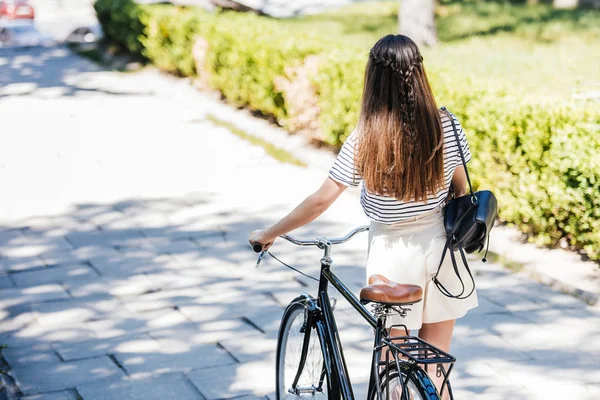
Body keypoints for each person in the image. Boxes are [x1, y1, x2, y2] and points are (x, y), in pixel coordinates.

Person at [249, 34, 478, 398]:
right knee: (435, 365)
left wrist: (271, 232)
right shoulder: (447, 125)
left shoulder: (366, 139)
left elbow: (321, 201)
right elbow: (463, 189)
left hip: (393, 256)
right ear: (419, 72)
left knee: (391, 359)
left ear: (373, 78)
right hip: (443, 250)